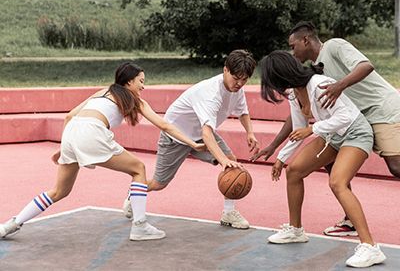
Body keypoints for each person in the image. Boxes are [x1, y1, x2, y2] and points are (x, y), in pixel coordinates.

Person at [0, 62, 205, 241]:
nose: (144, 85)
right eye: (141, 81)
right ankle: (140, 226)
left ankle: (11, 224)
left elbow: (70, 116)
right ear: (129, 82)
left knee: (59, 191)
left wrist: (63, 147)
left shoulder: (104, 91)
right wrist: (192, 144)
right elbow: (164, 125)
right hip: (91, 131)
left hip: (73, 132)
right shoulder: (135, 101)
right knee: (138, 169)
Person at [252, 21, 400, 237]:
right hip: (351, 119)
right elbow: (296, 119)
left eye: (293, 46)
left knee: (396, 166)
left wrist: (339, 86)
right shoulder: (306, 79)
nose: (292, 52)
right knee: (330, 167)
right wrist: (275, 148)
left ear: (305, 40)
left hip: (381, 109)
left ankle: (366, 240)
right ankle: (348, 221)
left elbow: (366, 66)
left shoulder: (333, 46)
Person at [259, 50, 386, 268]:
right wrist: (281, 157)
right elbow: (298, 129)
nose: (274, 87)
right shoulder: (294, 94)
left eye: (272, 81)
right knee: (294, 170)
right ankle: (296, 230)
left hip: (356, 132)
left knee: (337, 182)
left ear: (282, 75)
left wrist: (312, 129)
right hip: (333, 135)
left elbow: (344, 117)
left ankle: (370, 247)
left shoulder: (318, 84)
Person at [123, 49, 259, 229]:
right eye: (236, 78)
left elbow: (242, 111)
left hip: (200, 133)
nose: (240, 83)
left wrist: (250, 132)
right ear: (225, 70)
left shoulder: (237, 88)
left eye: (244, 80)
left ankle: (228, 213)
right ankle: (134, 194)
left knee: (232, 162)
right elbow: (207, 134)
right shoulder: (210, 93)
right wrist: (222, 160)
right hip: (175, 136)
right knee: (158, 183)